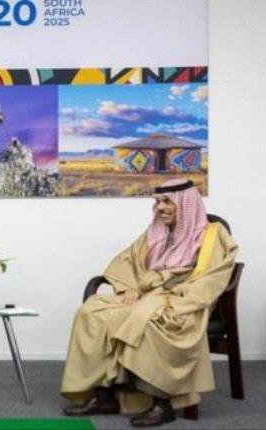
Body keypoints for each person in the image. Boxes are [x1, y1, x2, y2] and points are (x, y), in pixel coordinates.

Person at [60, 178, 238, 427]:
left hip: (183, 298)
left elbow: (213, 277)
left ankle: (161, 403)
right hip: (148, 294)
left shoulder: (212, 235)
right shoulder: (156, 231)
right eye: (158, 202)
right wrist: (130, 287)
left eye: (167, 202)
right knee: (92, 312)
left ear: (185, 204)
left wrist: (176, 298)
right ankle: (104, 395)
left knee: (147, 319)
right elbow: (128, 260)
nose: (160, 208)